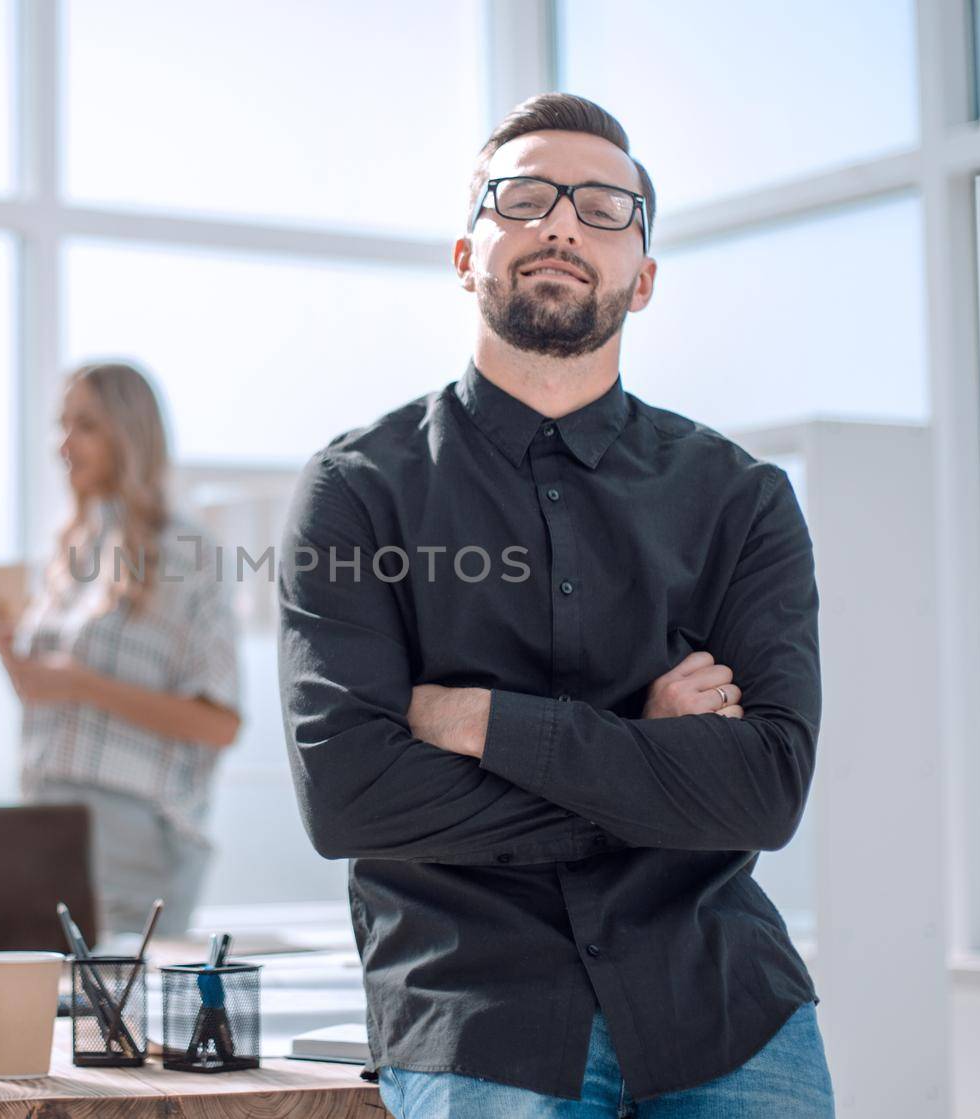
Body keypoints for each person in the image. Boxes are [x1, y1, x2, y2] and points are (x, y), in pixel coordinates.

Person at [277, 93, 834, 1117]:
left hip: (727, 1013)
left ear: (645, 278)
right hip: (481, 1019)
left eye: (604, 208)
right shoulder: (357, 491)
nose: (562, 222)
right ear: (464, 254)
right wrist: (645, 757)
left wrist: (480, 721)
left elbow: (763, 788)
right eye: (523, 196)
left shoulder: (739, 498)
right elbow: (351, 797)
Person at [0, 361, 241, 939]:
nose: (64, 445)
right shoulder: (70, 551)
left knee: (114, 1023)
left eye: (86, 425)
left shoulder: (188, 554)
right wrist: (6, 650)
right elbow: (44, 694)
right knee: (52, 1020)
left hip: (131, 835)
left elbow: (221, 723)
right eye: (61, 425)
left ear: (129, 433)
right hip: (44, 820)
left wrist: (80, 682)